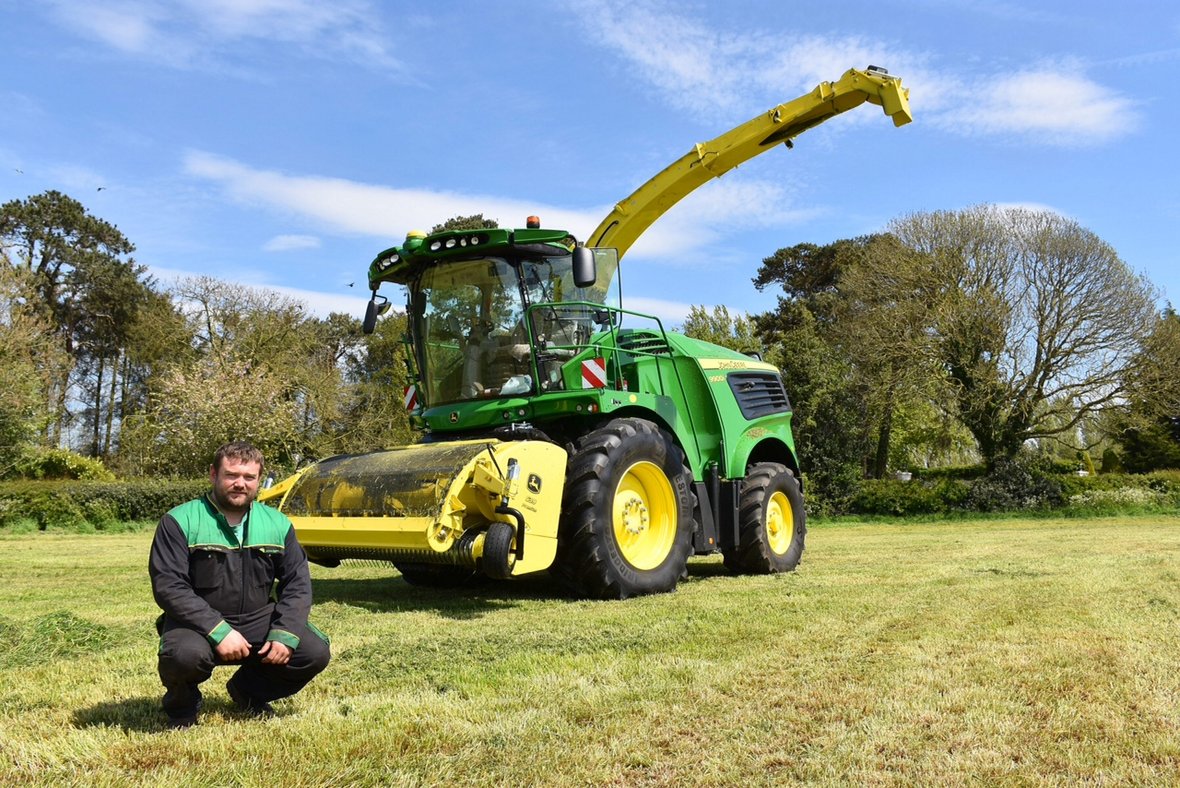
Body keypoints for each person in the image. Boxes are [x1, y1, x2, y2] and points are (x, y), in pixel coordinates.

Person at [149, 441, 330, 729]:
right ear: (213, 475)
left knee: (313, 652)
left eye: (249, 478)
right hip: (196, 622)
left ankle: (247, 692)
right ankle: (182, 708)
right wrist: (219, 631)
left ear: (259, 481)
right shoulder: (179, 520)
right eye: (231, 475)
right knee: (183, 655)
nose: (239, 484)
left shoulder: (277, 523)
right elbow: (169, 586)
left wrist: (285, 633)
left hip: (257, 617)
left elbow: (297, 583)